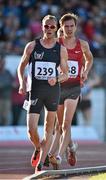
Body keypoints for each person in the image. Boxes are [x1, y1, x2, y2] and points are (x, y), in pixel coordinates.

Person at [17, 14, 68, 172]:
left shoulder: (61, 49)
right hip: (35, 91)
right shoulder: (32, 46)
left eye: (53, 27)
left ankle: (42, 159)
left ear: (57, 29)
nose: (49, 29)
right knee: (31, 129)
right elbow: (21, 67)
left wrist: (57, 79)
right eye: (47, 26)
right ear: (42, 26)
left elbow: (66, 73)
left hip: (52, 91)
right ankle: (39, 148)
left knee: (48, 127)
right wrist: (22, 82)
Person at [49, 13, 93, 169]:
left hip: (74, 87)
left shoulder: (83, 44)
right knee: (59, 126)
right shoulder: (56, 43)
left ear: (76, 27)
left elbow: (90, 59)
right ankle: (71, 147)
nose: (68, 29)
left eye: (71, 26)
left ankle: (58, 155)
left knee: (66, 123)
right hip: (59, 87)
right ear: (62, 27)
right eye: (66, 26)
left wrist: (86, 72)